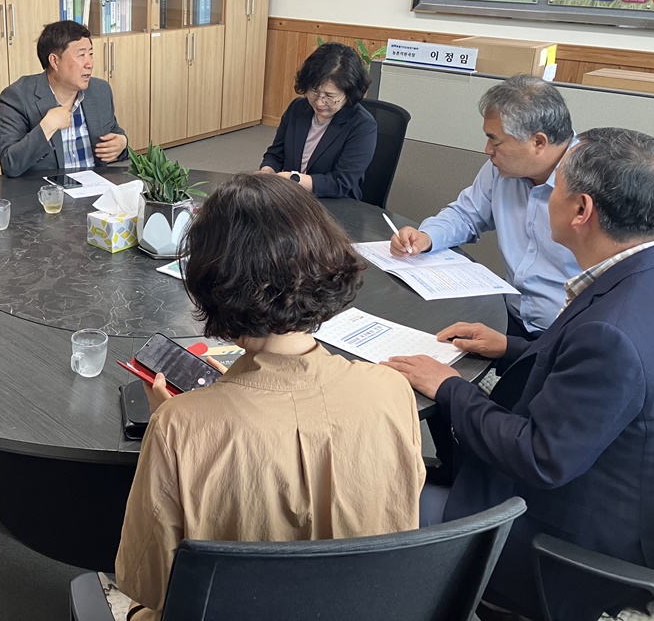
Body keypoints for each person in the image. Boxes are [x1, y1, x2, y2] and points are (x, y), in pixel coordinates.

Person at [115, 174, 424, 621]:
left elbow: (149, 582)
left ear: (210, 283)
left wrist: (177, 424)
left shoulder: (179, 425)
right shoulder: (391, 391)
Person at [385, 128, 654, 620]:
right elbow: (597, 375)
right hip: (610, 480)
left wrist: (448, 387)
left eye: (555, 189)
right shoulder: (638, 277)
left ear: (581, 210)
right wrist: (511, 346)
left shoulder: (610, 333)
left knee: (374, 497)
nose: (543, 199)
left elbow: (539, 457)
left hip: (557, 540)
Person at [389, 74, 579, 339]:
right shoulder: (501, 169)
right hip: (511, 316)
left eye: (495, 141)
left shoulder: (592, 182)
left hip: (566, 335)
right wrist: (427, 236)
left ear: (538, 142)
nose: (487, 149)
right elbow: (466, 215)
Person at [0, 20, 129, 177]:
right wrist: (47, 126)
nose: (89, 64)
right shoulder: (17, 98)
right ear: (54, 61)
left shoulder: (100, 91)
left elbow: (114, 133)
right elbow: (10, 164)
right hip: (46, 190)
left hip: (95, 185)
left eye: (91, 54)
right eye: (81, 55)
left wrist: (122, 143)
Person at [258, 42, 377, 200]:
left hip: (334, 203)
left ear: (348, 94)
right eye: (314, 91)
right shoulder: (297, 109)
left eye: (329, 96)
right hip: (291, 197)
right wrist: (267, 172)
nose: (319, 102)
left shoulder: (362, 125)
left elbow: (340, 183)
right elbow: (275, 155)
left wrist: (293, 179)